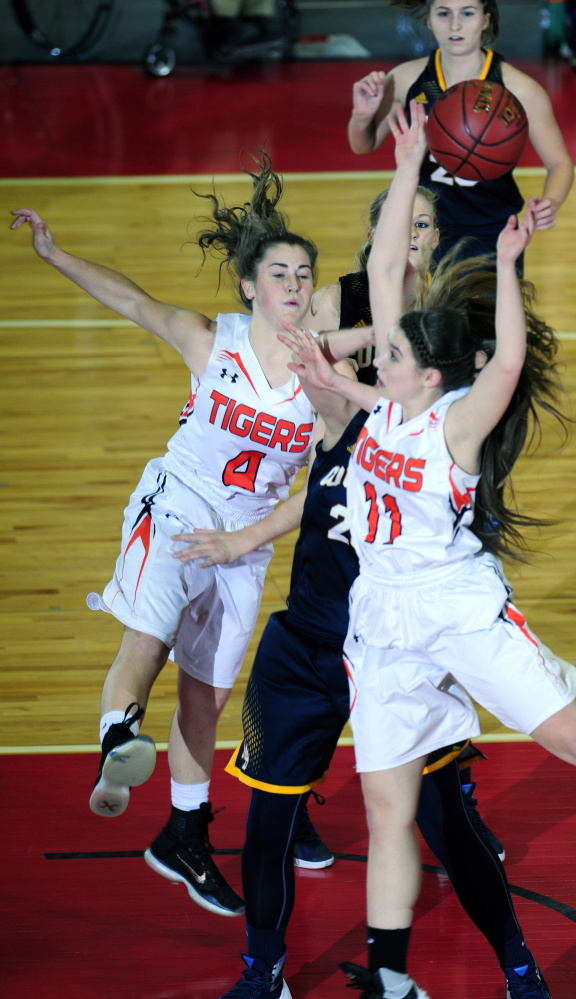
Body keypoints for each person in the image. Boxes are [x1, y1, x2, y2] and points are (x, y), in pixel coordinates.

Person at [282, 101, 576, 998]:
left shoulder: (453, 424)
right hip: (381, 627)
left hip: (456, 610)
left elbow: (507, 365)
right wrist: (405, 163)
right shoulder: (387, 408)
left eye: (396, 351)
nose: (384, 351)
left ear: (430, 375)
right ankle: (394, 981)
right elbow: (380, 268)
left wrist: (508, 265)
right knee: (387, 811)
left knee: (567, 735)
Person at [10, 150, 332, 916]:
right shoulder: (208, 341)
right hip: (177, 507)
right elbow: (131, 301)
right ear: (250, 285)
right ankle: (118, 740)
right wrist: (55, 253)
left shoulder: (324, 379)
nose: (293, 285)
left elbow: (318, 491)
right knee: (146, 645)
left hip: (245, 541)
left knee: (206, 699)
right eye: (280, 273)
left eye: (302, 275)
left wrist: (245, 539)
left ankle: (183, 835)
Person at [348, 0, 574, 269]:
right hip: (422, 230)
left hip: (492, 232)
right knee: (424, 312)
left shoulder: (520, 89)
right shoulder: (405, 79)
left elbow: (560, 163)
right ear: (429, 19)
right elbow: (364, 144)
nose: (455, 24)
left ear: (485, 19)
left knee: (491, 313)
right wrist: (362, 116)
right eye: (444, 13)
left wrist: (551, 201)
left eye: (467, 13)